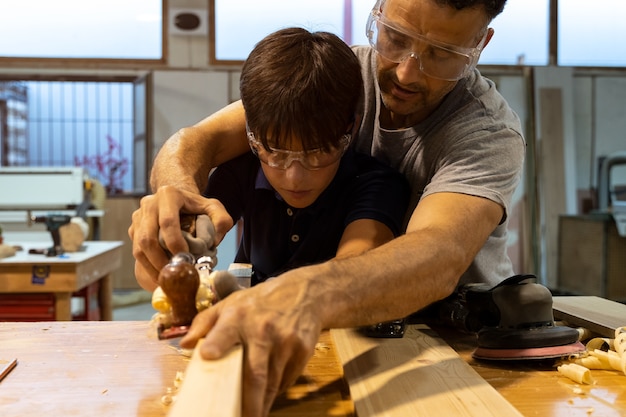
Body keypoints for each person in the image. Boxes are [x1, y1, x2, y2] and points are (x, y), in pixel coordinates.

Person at [128, 0, 525, 415]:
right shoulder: (341, 76)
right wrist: (175, 205)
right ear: (378, 13)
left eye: (442, 54)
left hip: (453, 343)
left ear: (480, 44)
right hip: (353, 336)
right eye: (396, 38)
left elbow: (440, 254)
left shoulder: (487, 133)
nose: (408, 71)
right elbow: (195, 141)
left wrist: (304, 291)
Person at [202, 27, 408, 285]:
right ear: (251, 135)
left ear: (350, 130)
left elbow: (353, 275)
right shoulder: (242, 170)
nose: (295, 177)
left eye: (317, 151)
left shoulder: (376, 185)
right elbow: (188, 240)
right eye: (276, 151)